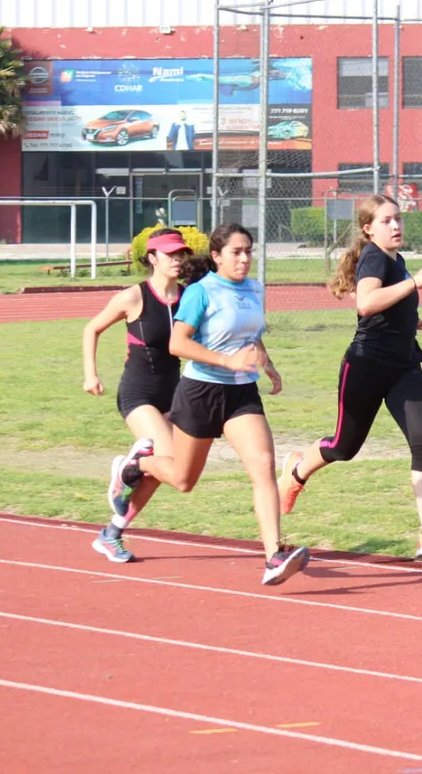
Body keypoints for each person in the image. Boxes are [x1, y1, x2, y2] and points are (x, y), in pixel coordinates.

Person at [107, 222, 309, 586]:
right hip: (200, 392)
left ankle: (273, 555)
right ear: (216, 256)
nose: (244, 259)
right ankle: (137, 465)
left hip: (242, 393)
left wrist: (268, 365)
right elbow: (178, 344)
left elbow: (250, 334)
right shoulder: (201, 292)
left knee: (263, 467)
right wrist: (227, 361)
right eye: (236, 252)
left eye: (248, 251)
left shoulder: (255, 289)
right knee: (183, 480)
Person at [275, 194, 422, 560]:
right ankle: (296, 471)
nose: (396, 225)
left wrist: (409, 321)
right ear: (368, 228)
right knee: (344, 447)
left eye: (398, 218)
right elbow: (366, 303)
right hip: (366, 366)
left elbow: (387, 306)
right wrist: (417, 281)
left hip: (403, 364)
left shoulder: (396, 260)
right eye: (386, 220)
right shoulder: (374, 257)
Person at [82, 228, 190, 563]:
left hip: (173, 395)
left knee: (164, 472)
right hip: (137, 393)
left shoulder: (189, 296)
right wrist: (90, 374)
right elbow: (92, 328)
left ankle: (111, 533)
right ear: (152, 258)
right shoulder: (133, 297)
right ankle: (129, 466)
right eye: (170, 254)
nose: (177, 259)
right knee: (169, 461)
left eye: (181, 253)